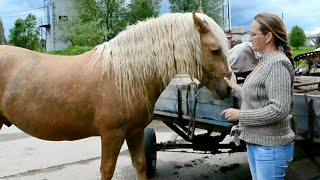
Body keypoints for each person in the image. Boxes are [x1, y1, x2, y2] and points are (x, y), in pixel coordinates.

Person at [221, 12, 296, 180]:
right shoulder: (264, 61)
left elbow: (278, 110)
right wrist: (234, 87)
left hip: (270, 148)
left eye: (254, 34)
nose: (250, 38)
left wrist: (240, 115)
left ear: (268, 36)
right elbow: (257, 96)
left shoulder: (277, 64)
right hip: (258, 145)